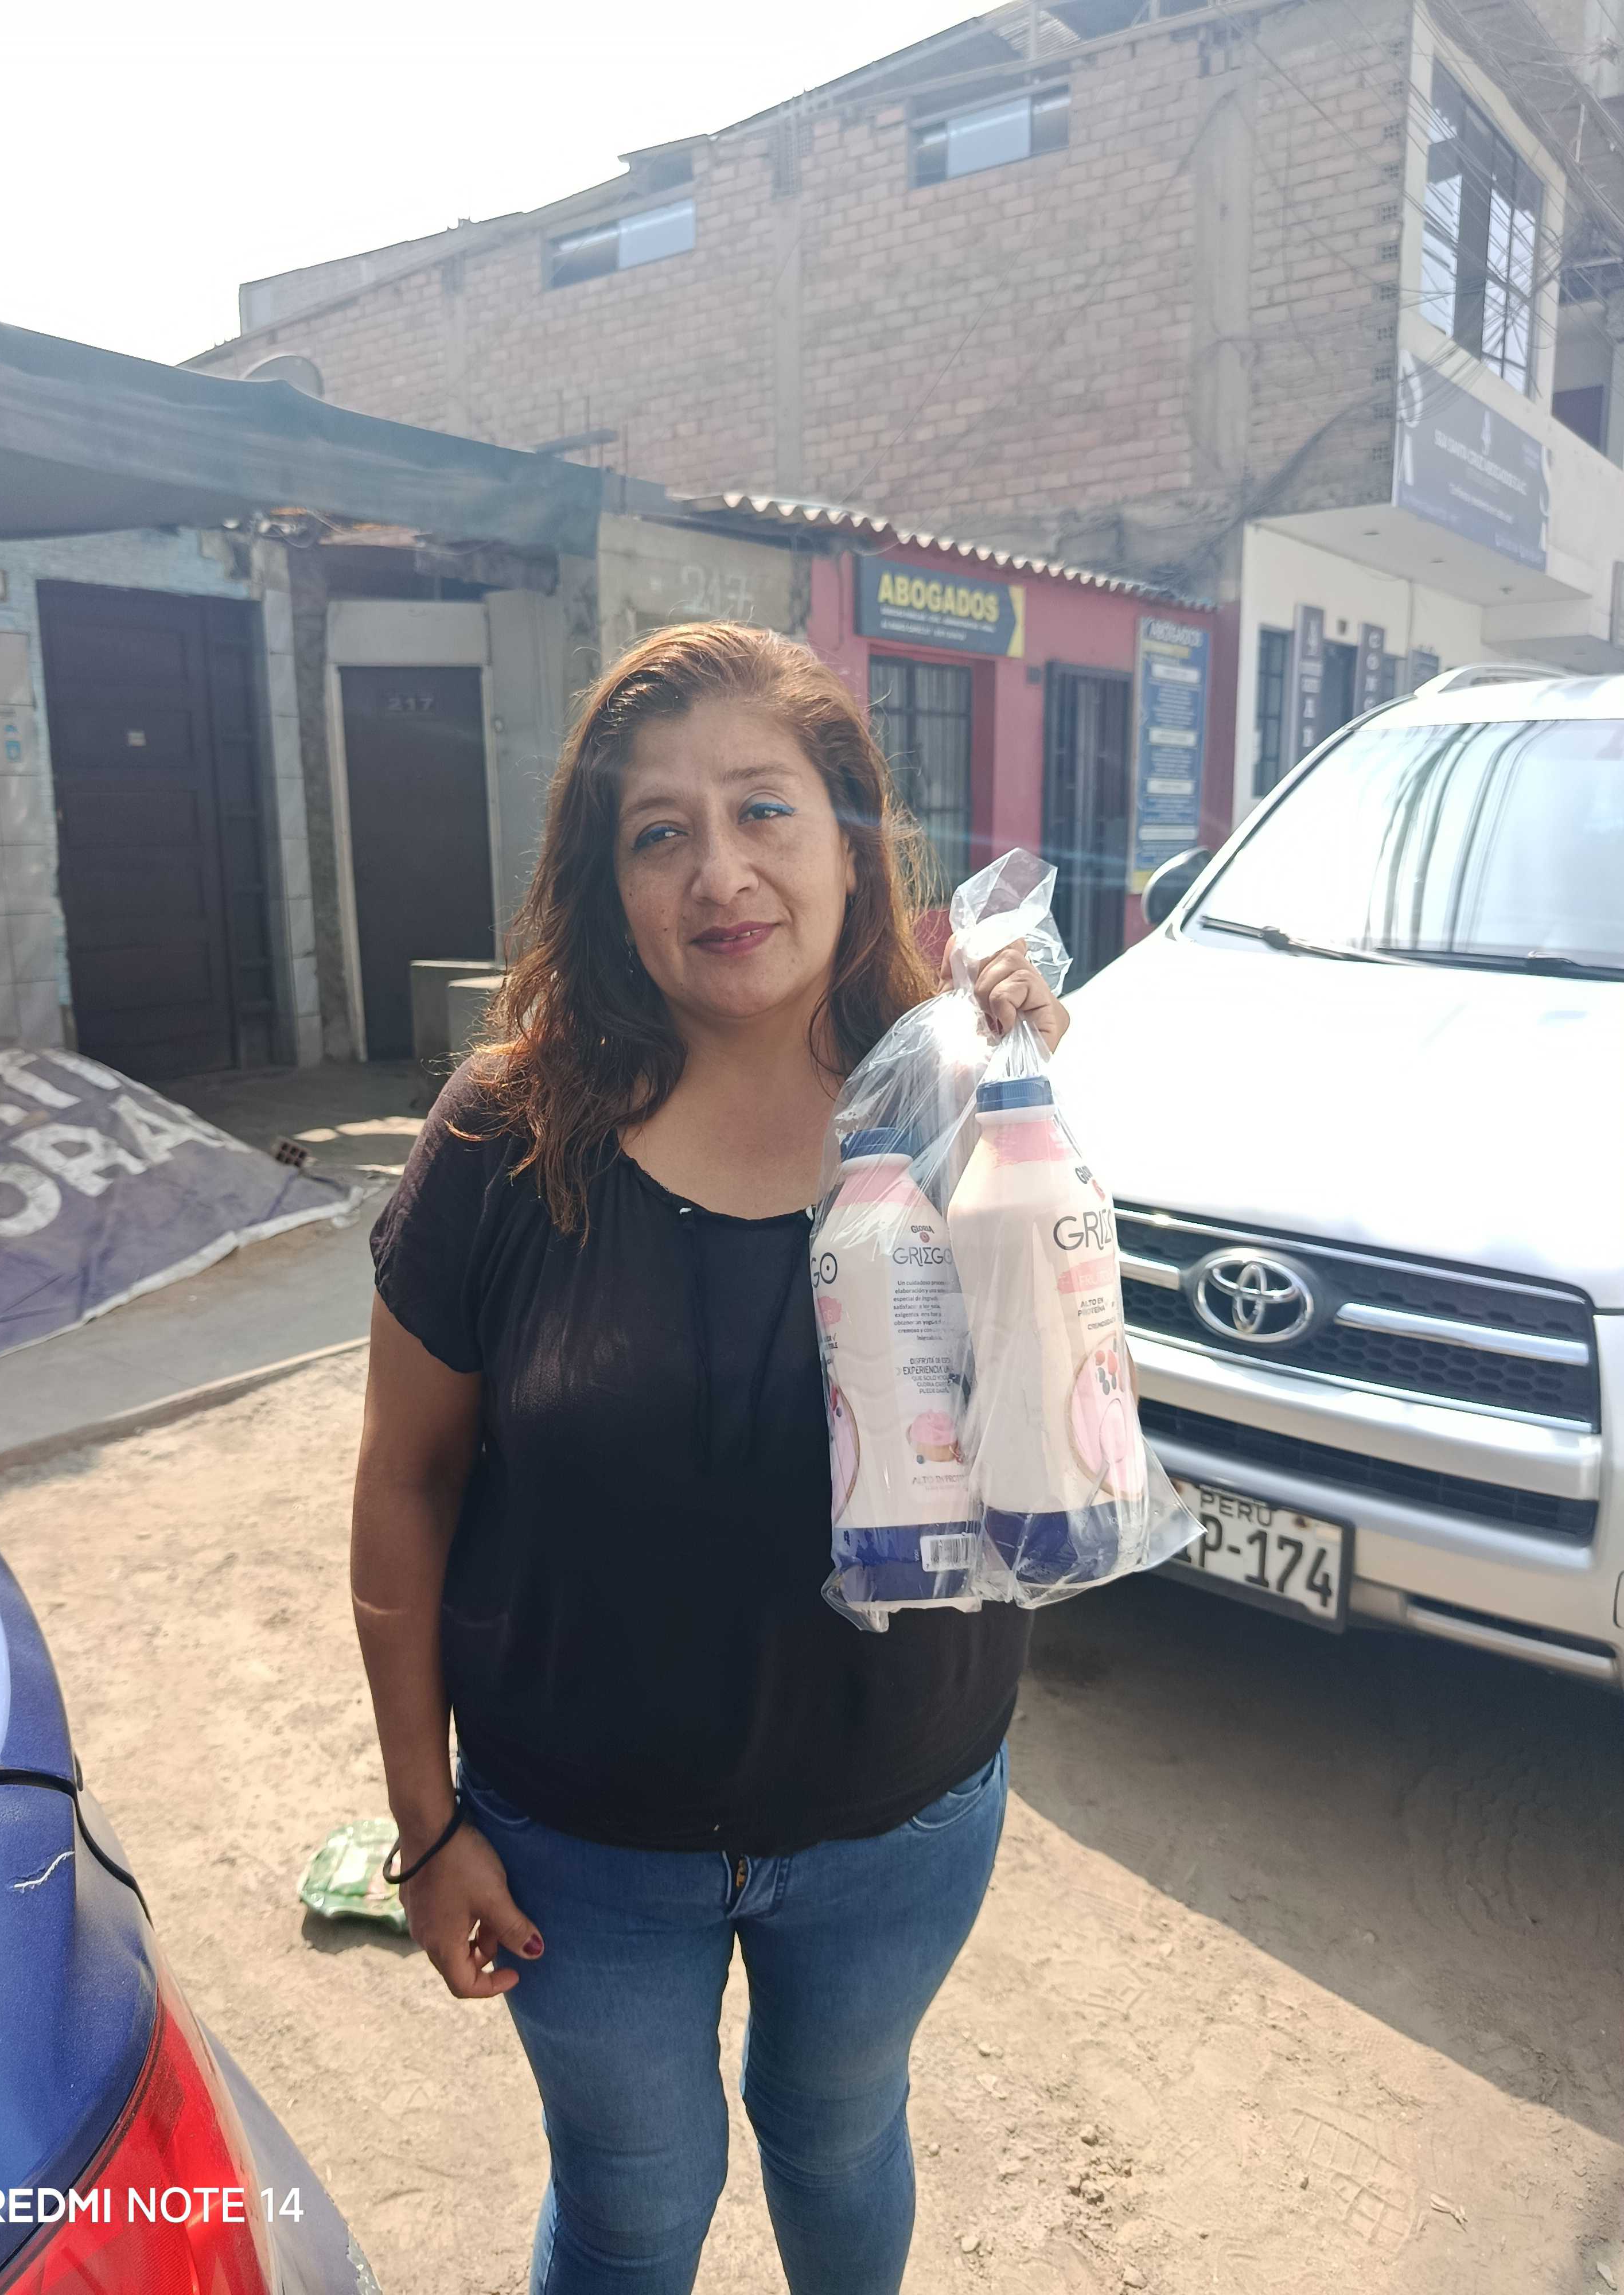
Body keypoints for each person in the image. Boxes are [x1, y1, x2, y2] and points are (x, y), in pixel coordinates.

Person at [352, 621, 1070, 2295]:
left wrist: (1023, 1106)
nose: (720, 873)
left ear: (853, 842)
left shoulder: (952, 1099)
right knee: (630, 2197)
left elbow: (1063, 1425)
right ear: (603, 887)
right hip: (575, 1842)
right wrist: (424, 1823)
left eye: (765, 810)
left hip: (900, 1815)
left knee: (839, 2132)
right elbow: (406, 1484)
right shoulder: (504, 1136)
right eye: (658, 832)